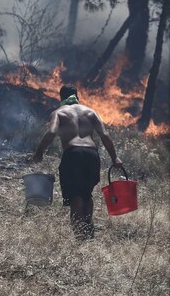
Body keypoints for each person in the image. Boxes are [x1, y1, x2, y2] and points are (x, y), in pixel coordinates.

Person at [33, 84, 123, 239]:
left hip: (73, 154)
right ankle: (88, 228)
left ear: (61, 98)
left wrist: (39, 152)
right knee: (87, 194)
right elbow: (105, 135)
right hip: (91, 154)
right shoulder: (90, 112)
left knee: (75, 196)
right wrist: (115, 157)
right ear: (77, 97)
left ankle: (80, 236)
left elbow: (52, 132)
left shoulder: (59, 113)